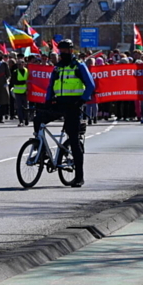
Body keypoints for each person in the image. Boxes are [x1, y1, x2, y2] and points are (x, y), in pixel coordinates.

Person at [41, 39, 95, 187]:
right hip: (59, 104)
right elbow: (51, 85)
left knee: (74, 140)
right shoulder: (57, 67)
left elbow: (90, 85)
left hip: (73, 106)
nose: (63, 53)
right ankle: (42, 151)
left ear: (71, 50)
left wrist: (82, 100)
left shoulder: (78, 65)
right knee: (38, 120)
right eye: (61, 50)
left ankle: (79, 176)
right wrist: (48, 100)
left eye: (66, 50)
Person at [12, 54, 30, 126]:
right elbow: (14, 81)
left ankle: (26, 119)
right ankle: (21, 121)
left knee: (26, 107)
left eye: (21, 64)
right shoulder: (15, 72)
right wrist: (24, 82)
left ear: (24, 64)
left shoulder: (27, 71)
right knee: (19, 107)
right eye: (18, 64)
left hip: (25, 92)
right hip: (18, 92)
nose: (19, 65)